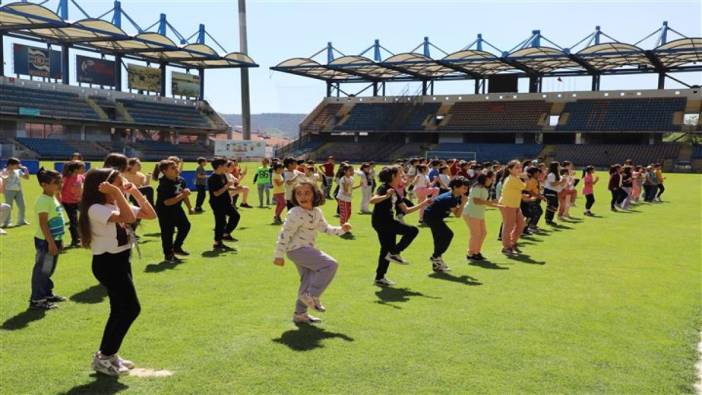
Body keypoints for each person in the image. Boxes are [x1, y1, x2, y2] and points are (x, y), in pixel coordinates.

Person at [78, 167, 156, 376]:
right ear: (102, 187)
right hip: (108, 263)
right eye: (116, 183)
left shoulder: (112, 203)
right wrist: (119, 193)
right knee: (131, 308)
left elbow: (151, 215)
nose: (121, 186)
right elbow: (129, 218)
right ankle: (104, 356)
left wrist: (136, 193)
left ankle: (108, 355)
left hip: (121, 261)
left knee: (119, 310)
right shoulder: (95, 208)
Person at [273, 182, 351, 324]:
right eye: (298, 193)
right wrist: (278, 255)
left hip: (306, 250)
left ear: (315, 194)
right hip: (297, 250)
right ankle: (311, 296)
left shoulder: (317, 212)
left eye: (307, 193)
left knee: (307, 280)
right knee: (330, 265)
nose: (302, 196)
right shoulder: (295, 212)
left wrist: (342, 229)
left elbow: (325, 229)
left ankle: (300, 314)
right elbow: (284, 234)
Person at [370, 166, 431, 287]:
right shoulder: (385, 187)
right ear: (393, 176)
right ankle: (395, 252)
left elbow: (406, 210)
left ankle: (380, 277)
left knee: (386, 250)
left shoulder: (395, 191)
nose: (402, 175)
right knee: (412, 231)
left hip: (386, 221)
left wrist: (423, 203)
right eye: (400, 174)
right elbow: (372, 200)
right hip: (382, 221)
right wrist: (386, 196)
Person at [30, 168, 66, 310]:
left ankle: (47, 293)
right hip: (45, 241)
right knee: (42, 271)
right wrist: (51, 243)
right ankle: (37, 300)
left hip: (54, 239)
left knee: (49, 269)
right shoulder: (43, 201)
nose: (59, 184)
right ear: (44, 185)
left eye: (60, 181)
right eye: (56, 182)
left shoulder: (52, 197)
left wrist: (59, 240)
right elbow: (43, 224)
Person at [423, 177, 470, 272]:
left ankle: (437, 265)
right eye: (464, 188)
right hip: (432, 217)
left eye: (467, 188)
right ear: (456, 187)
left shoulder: (454, 195)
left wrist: (461, 203)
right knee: (448, 234)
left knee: (438, 239)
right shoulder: (450, 198)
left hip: (433, 217)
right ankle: (435, 257)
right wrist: (463, 203)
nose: (466, 190)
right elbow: (457, 215)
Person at [155, 159, 192, 262]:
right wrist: (183, 195)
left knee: (185, 226)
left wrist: (190, 207)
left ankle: (176, 247)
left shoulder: (181, 180)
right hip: (164, 210)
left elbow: (184, 195)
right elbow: (167, 202)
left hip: (176, 208)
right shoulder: (164, 184)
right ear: (164, 171)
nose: (176, 169)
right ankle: (169, 255)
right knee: (168, 232)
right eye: (173, 168)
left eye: (176, 166)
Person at [464, 172, 502, 261]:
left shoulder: (483, 188)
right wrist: (492, 204)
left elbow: (483, 202)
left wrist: (497, 205)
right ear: (485, 179)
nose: (492, 181)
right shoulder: (477, 187)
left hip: (478, 214)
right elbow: (476, 201)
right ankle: (471, 253)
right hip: (471, 213)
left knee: (483, 233)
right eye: (490, 179)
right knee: (476, 234)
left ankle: (476, 252)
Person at [208, 158, 241, 250]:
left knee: (235, 216)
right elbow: (216, 193)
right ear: (219, 166)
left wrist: (236, 189)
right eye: (226, 165)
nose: (227, 167)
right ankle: (217, 243)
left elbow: (226, 188)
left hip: (226, 201)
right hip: (217, 203)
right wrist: (227, 186)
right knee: (220, 222)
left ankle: (225, 234)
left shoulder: (222, 175)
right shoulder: (212, 178)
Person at [499, 160, 528, 256]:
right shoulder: (512, 179)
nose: (520, 169)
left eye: (520, 167)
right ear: (510, 169)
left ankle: (512, 243)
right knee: (508, 226)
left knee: (521, 224)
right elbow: (525, 187)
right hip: (508, 205)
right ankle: (506, 247)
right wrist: (527, 178)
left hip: (514, 205)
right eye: (517, 167)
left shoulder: (515, 177)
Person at [60, 161, 85, 247]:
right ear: (75, 169)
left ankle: (82, 238)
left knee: (84, 217)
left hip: (78, 201)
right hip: (68, 202)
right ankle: (76, 240)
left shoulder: (80, 176)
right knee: (74, 221)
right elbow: (60, 188)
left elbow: (86, 182)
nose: (84, 169)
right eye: (82, 168)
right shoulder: (67, 178)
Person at [1, 157, 30, 227]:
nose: (18, 166)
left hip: (18, 191)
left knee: (22, 206)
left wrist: (26, 169)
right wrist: (3, 191)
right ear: (11, 165)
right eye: (17, 164)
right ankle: (7, 223)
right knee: (8, 208)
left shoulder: (18, 171)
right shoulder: (4, 171)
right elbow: (3, 181)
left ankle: (21, 221)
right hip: (8, 191)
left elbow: (27, 178)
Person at [336, 164, 359, 230]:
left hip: (348, 199)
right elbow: (345, 190)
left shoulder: (351, 178)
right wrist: (346, 184)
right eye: (350, 170)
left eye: (352, 170)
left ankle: (344, 226)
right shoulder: (343, 179)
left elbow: (350, 188)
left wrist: (359, 185)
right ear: (345, 171)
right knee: (344, 214)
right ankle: (343, 228)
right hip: (343, 198)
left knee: (348, 213)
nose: (352, 172)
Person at [543, 161, 566, 225]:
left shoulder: (556, 174)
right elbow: (552, 184)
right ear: (555, 167)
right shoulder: (551, 175)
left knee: (555, 205)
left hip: (554, 191)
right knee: (551, 205)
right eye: (558, 166)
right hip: (549, 191)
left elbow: (559, 185)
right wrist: (561, 181)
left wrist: (563, 181)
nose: (560, 167)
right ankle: (548, 220)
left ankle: (550, 219)